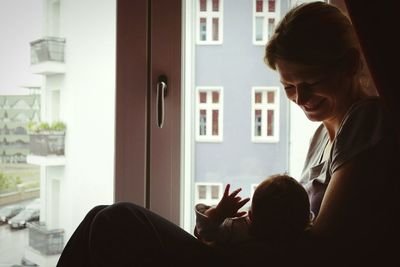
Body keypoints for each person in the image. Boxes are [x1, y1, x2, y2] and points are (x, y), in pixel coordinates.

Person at [57, 2, 399, 267]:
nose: (300, 98)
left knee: (116, 222)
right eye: (288, 86)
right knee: (100, 217)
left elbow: (325, 244)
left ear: (350, 64)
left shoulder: (366, 120)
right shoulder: (323, 135)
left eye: (310, 83)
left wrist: (243, 240)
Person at [194, 174, 312, 247]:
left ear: (249, 216)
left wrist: (218, 213)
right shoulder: (301, 240)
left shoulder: (236, 229)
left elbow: (205, 232)